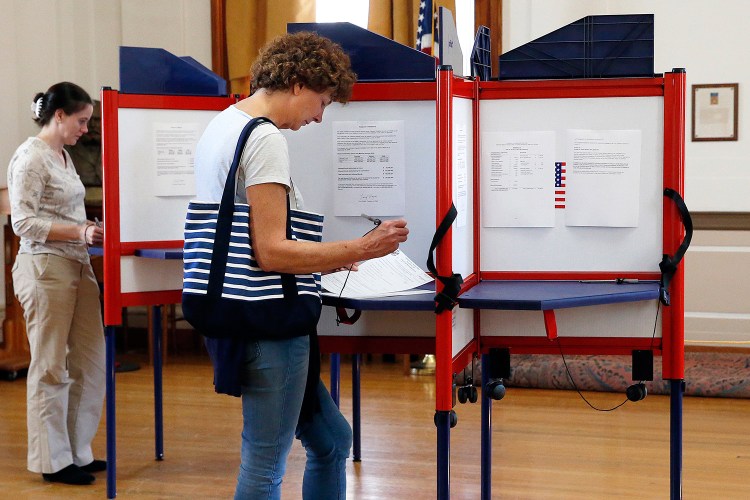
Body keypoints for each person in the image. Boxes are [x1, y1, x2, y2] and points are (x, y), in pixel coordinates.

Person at [193, 32, 408, 499]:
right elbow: (271, 252)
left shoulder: (223, 124)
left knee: (332, 441)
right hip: (270, 324)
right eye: (321, 101)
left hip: (233, 313)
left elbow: (243, 242)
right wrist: (363, 248)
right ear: (296, 83)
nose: (318, 116)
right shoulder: (264, 138)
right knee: (266, 463)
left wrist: (330, 260)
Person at [7, 82, 106, 486]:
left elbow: (66, 214)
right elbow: (23, 222)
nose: (86, 128)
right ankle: (53, 460)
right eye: (81, 120)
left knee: (91, 360)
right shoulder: (29, 158)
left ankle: (78, 451)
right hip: (44, 268)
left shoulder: (63, 157)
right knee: (50, 365)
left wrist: (86, 231)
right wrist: (79, 232)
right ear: (60, 115)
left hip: (77, 266)